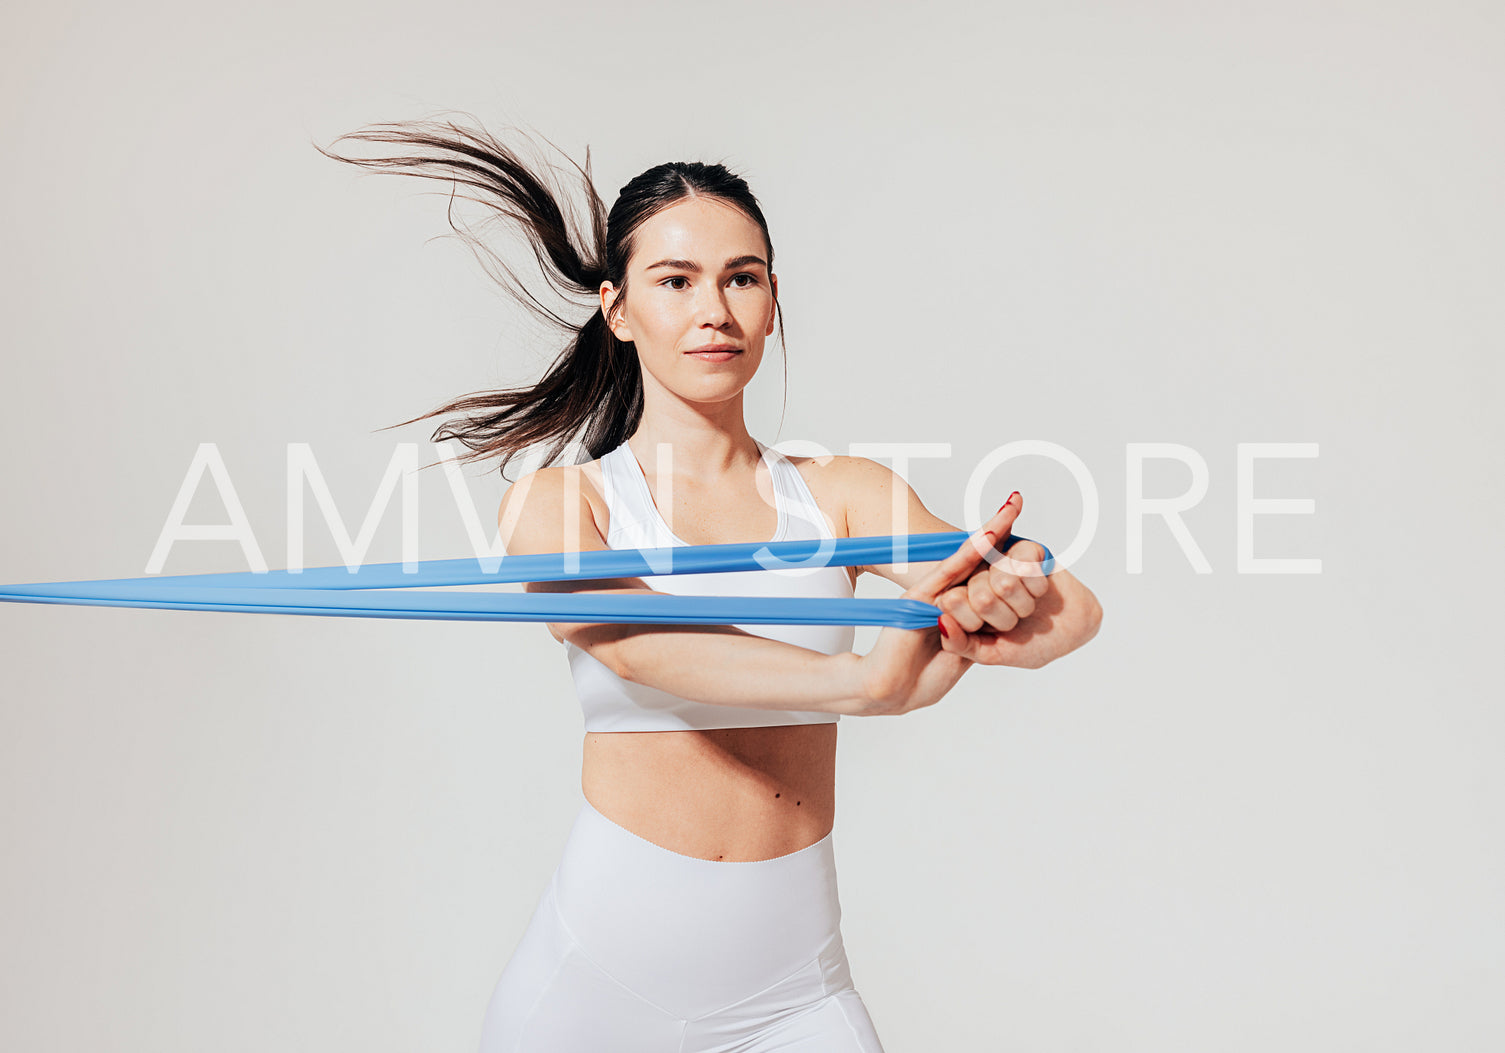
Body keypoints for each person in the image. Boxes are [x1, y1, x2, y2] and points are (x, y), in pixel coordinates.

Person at [319, 114, 1103, 1052]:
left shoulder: (842, 496)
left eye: (742, 278)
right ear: (617, 309)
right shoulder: (562, 502)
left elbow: (1071, 613)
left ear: (772, 300)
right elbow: (636, 637)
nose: (714, 311)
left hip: (794, 998)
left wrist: (1001, 595)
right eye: (675, 281)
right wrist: (864, 685)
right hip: (590, 992)